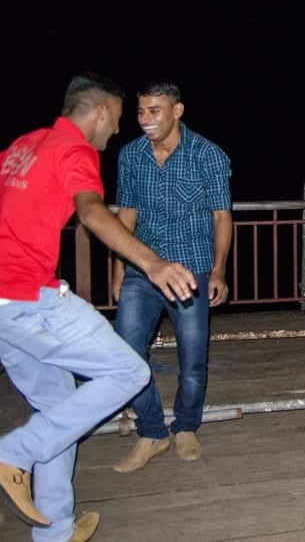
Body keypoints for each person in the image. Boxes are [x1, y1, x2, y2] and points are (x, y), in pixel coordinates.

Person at [0, 72, 197, 542]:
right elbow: (91, 212)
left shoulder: (28, 143)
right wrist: (154, 263)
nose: (115, 131)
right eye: (117, 120)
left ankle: (55, 531)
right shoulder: (74, 151)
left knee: (58, 407)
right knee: (129, 373)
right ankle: (13, 454)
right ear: (100, 111)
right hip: (26, 299)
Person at [111, 82, 232, 472]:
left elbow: (221, 216)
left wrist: (218, 271)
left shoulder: (208, 155)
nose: (145, 119)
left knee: (192, 357)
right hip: (140, 270)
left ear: (177, 111)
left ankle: (185, 427)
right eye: (141, 111)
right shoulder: (130, 155)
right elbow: (125, 215)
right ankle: (151, 431)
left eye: (154, 111)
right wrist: (118, 271)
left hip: (190, 270)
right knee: (125, 354)